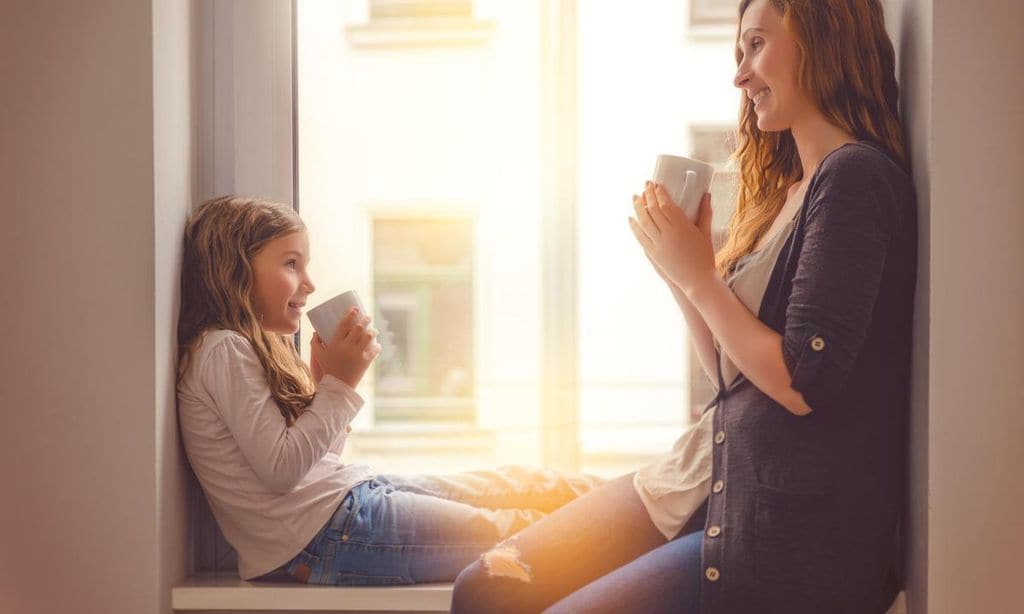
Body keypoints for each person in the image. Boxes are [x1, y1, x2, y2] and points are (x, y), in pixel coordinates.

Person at [451, 0, 915, 612]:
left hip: (768, 532)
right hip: (700, 478)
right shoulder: (793, 191)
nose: (740, 75)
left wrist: (701, 279)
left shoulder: (854, 178)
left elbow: (805, 383)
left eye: (755, 45)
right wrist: (680, 271)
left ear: (821, 37)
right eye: (738, 53)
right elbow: (730, 376)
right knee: (485, 586)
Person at [176, 196, 602, 586]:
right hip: (326, 535)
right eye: (291, 264)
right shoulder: (222, 349)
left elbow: (314, 463)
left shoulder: (246, 346)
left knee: (523, 482)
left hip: (346, 506)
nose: (308, 283)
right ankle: (652, 532)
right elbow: (282, 470)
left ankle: (654, 499)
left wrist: (328, 384)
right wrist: (340, 386)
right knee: (515, 529)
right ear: (235, 269)